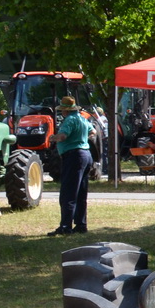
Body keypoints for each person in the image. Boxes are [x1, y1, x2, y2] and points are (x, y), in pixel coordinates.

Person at [49, 96, 92, 236]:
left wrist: (53, 138)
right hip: (86, 154)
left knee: (68, 193)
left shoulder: (70, 120)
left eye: (62, 110)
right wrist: (82, 138)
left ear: (65, 111)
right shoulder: (82, 119)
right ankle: (80, 224)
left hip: (73, 156)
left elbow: (62, 137)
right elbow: (94, 132)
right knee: (81, 192)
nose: (62, 112)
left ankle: (66, 226)